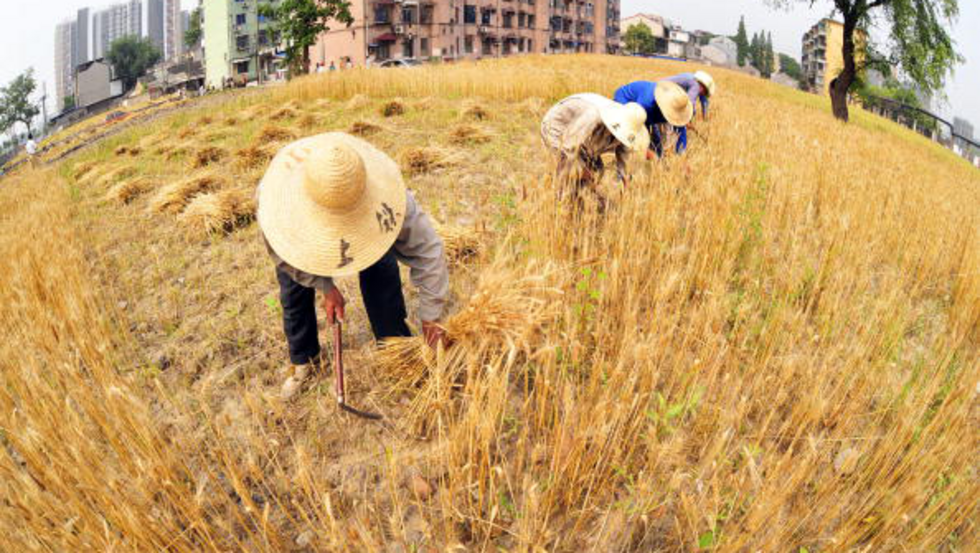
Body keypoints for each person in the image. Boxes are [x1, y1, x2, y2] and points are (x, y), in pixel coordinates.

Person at [256, 132, 450, 400]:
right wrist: (325, 286)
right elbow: (282, 256)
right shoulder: (276, 204)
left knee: (380, 266)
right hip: (300, 234)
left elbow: (429, 252)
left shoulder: (390, 196)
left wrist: (431, 316)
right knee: (293, 289)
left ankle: (394, 347)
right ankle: (304, 360)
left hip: (369, 221)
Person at [540, 93, 650, 203]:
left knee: (597, 170)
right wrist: (583, 170)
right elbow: (569, 146)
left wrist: (626, 183)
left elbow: (624, 163)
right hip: (559, 129)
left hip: (584, 139)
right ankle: (559, 203)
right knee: (571, 170)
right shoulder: (592, 116)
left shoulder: (628, 133)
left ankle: (580, 202)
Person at [613, 80, 693, 159]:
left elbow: (681, 131)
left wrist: (681, 158)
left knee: (657, 145)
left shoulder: (675, 105)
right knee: (635, 143)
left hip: (647, 112)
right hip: (625, 102)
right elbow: (637, 127)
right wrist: (645, 149)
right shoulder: (647, 103)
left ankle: (659, 163)